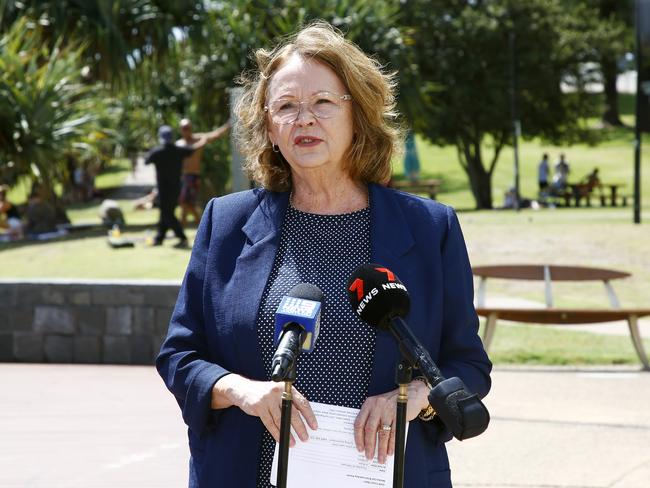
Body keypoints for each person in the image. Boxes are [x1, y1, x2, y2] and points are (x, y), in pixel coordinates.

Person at [156, 22, 491, 488]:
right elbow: (181, 354)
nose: (304, 119)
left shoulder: (429, 228)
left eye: (323, 103)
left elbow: (468, 366)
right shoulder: (226, 224)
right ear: (269, 127)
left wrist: (414, 396)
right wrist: (241, 391)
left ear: (358, 115)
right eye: (287, 107)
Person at [144, 125, 206, 248]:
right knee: (165, 212)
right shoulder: (178, 150)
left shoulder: (157, 152)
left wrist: (152, 149)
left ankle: (182, 238)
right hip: (176, 188)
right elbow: (192, 149)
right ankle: (159, 238)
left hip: (163, 188)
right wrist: (203, 140)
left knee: (167, 214)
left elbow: (146, 161)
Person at [176, 118, 231, 226]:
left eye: (188, 128)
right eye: (184, 128)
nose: (186, 130)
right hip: (183, 176)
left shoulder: (198, 138)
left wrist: (228, 125)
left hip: (193, 176)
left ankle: (201, 224)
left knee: (185, 202)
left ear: (191, 128)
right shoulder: (179, 144)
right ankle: (183, 232)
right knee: (184, 204)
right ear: (180, 130)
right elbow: (189, 150)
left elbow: (216, 134)